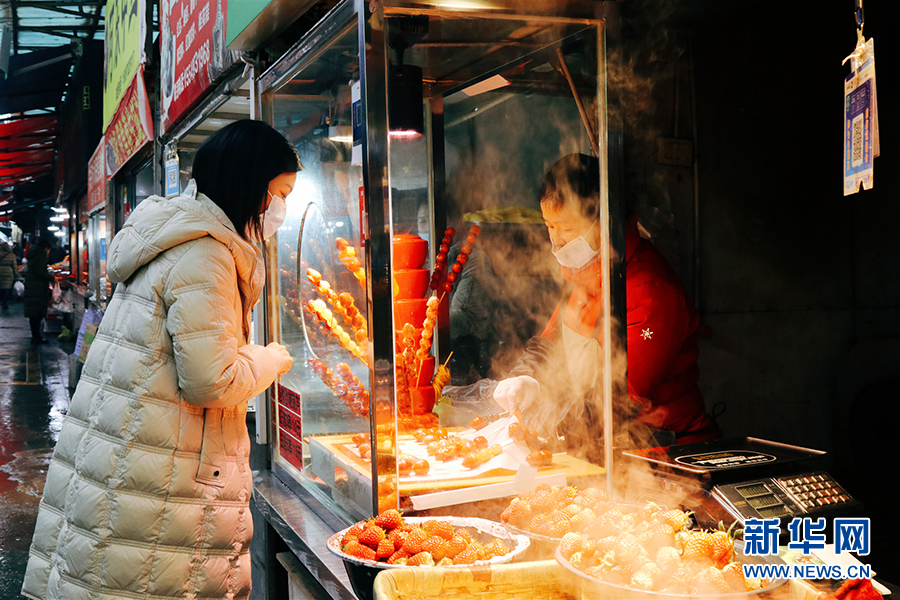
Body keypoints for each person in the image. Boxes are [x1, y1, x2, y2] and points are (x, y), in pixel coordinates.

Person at [22, 120, 298, 600]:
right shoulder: (205, 254)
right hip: (161, 474)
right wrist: (271, 358)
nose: (281, 207)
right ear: (251, 184)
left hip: (131, 455)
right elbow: (211, 380)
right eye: (281, 192)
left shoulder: (172, 234)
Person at [493, 153, 718, 452]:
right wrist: (525, 376)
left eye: (568, 229)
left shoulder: (650, 292)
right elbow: (551, 341)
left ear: (605, 222)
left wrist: (545, 419)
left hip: (666, 451)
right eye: (550, 226)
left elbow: (619, 399)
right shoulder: (583, 275)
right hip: (606, 445)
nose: (557, 240)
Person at [23, 238, 54, 342]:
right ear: (45, 248)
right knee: (36, 313)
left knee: (34, 314)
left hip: (34, 287)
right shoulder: (39, 257)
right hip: (37, 288)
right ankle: (36, 337)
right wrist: (52, 278)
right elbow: (40, 273)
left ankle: (36, 336)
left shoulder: (34, 256)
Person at [0, 241, 17, 309]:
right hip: (8, 272)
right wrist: (16, 273)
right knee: (7, 287)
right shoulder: (11, 255)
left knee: (0, 287)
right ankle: (5, 302)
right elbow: (14, 265)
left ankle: (1, 300)